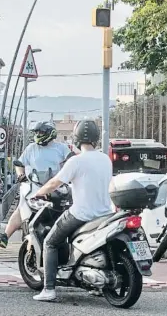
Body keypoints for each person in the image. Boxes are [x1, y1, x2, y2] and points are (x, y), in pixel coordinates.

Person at [32, 119, 113, 301]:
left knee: (50, 242)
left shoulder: (76, 161)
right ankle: (95, 284)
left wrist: (39, 193)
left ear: (76, 139)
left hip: (81, 214)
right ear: (96, 138)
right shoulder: (106, 159)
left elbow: (55, 183)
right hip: (105, 214)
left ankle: (49, 289)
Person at [0, 122, 70, 248]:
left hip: (55, 187)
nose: (38, 135)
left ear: (50, 133)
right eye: (36, 132)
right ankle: (5, 236)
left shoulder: (61, 148)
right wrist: (20, 175)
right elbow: (19, 164)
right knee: (21, 207)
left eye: (41, 132)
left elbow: (72, 159)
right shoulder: (31, 148)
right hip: (35, 186)